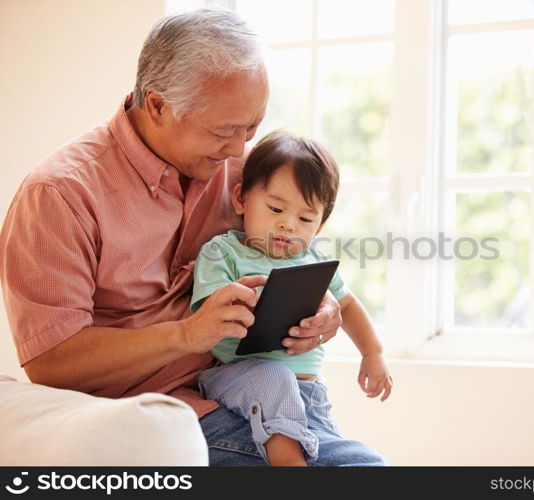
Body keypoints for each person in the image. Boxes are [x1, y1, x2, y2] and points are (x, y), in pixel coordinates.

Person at [0, 8, 385, 466]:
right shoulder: (60, 195)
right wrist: (186, 335)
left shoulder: (243, 177)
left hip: (251, 393)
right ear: (159, 106)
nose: (239, 149)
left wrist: (321, 315)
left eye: (252, 128)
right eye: (224, 131)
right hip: (149, 416)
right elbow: (50, 362)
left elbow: (296, 252)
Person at [192, 130, 393, 466]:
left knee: (367, 461)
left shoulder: (313, 261)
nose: (287, 225)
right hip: (239, 379)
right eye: (275, 209)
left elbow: (348, 304)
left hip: (309, 395)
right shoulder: (221, 252)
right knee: (275, 377)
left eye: (304, 218)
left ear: (320, 224)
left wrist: (373, 353)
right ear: (241, 199)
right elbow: (207, 316)